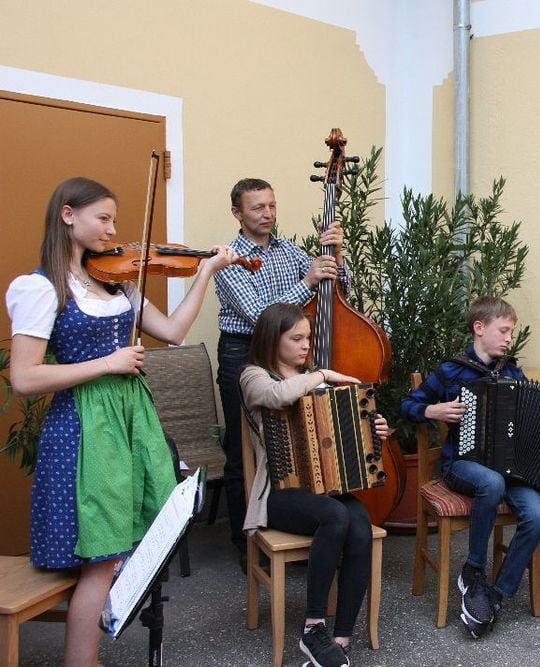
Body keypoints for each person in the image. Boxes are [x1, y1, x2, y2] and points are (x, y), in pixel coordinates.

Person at [5, 177, 238, 666]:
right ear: (68, 215)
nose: (113, 230)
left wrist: (205, 273)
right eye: (104, 218)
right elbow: (25, 377)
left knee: (125, 547)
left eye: (114, 219)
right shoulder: (41, 288)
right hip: (84, 428)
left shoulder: (118, 282)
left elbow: (173, 331)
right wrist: (108, 363)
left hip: (131, 421)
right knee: (103, 555)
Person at [400, 295, 540, 639]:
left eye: (511, 331)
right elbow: (408, 405)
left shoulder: (512, 371)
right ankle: (474, 571)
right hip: (461, 464)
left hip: (513, 471)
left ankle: (495, 596)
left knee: (537, 515)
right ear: (479, 328)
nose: (509, 338)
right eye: (504, 330)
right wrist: (432, 411)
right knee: (490, 482)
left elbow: (539, 424)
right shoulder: (451, 370)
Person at [241, 302, 389, 667]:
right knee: (335, 516)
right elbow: (278, 396)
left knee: (359, 524)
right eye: (296, 338)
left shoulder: (315, 380)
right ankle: (313, 627)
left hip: (325, 488)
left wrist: (374, 430)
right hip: (278, 494)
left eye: (308, 337)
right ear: (272, 339)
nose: (306, 345)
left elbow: (344, 435)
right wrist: (322, 373)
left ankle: (341, 638)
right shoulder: (253, 375)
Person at [214, 178, 345, 563]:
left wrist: (337, 258)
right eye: (258, 207)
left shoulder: (290, 251)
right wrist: (307, 281)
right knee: (242, 449)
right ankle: (246, 544)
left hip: (287, 356)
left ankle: (303, 527)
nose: (268, 213)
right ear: (237, 213)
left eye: (271, 205)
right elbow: (261, 317)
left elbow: (337, 288)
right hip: (243, 352)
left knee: (296, 439)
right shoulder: (228, 259)